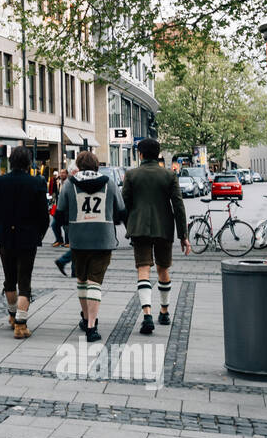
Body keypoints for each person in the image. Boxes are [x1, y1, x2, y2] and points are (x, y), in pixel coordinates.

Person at [54, 150, 126, 343]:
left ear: (78, 166)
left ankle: (86, 318)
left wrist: (70, 223)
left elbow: (59, 214)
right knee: (95, 282)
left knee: (82, 280)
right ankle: (92, 327)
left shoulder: (70, 184)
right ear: (97, 166)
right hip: (103, 240)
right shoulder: (109, 183)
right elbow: (121, 211)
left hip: (78, 240)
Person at [121, 138, 191, 334]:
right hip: (164, 228)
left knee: (143, 269)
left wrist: (130, 225)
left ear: (140, 154)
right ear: (158, 154)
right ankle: (164, 311)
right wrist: (183, 235)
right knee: (163, 268)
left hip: (140, 229)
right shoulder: (169, 175)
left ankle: (147, 315)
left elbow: (124, 204)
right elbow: (178, 206)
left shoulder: (132, 175)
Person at [0, 145, 50, 339]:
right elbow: (44, 215)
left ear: (11, 161)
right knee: (24, 280)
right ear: (28, 163)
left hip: (5, 237)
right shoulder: (36, 183)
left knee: (9, 279)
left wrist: (0, 228)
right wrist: (39, 234)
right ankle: (21, 324)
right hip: (28, 238)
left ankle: (13, 315)